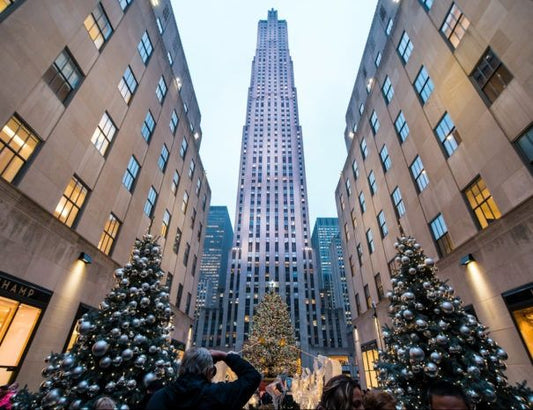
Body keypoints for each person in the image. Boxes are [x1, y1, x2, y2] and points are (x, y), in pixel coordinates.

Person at [146, 348, 261, 410]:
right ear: (209, 371)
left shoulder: (159, 396)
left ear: (181, 367)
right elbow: (253, 377)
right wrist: (224, 356)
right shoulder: (218, 395)